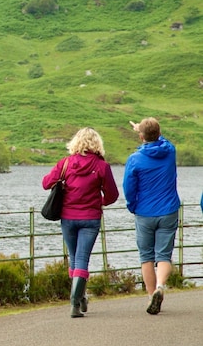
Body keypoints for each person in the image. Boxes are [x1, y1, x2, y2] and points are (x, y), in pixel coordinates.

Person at [42, 127, 119, 318]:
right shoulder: (102, 166)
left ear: (76, 142)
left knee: (75, 258)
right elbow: (112, 195)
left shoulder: (65, 164)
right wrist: (98, 202)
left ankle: (79, 298)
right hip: (90, 218)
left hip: (68, 217)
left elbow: (45, 183)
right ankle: (76, 301)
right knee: (82, 259)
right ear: (96, 144)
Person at [123, 117, 180, 315]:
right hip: (169, 210)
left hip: (144, 212)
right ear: (159, 132)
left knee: (146, 256)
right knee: (163, 255)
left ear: (140, 137)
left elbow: (129, 188)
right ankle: (160, 286)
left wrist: (132, 206)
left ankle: (150, 296)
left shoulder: (135, 159)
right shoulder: (170, 151)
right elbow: (161, 140)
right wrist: (149, 130)